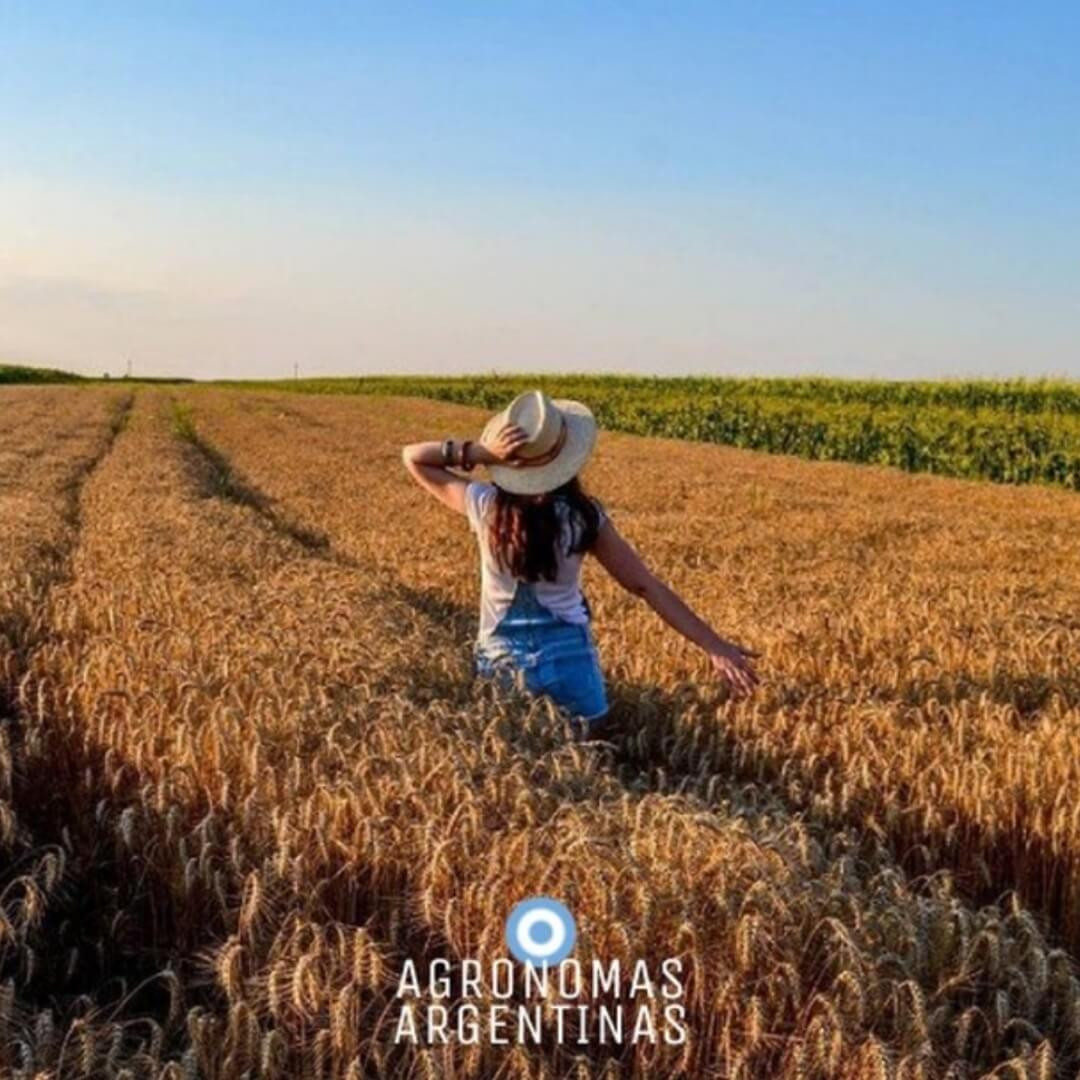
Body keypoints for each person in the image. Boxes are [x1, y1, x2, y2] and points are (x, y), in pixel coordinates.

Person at [401, 390, 758, 735]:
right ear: (566, 459)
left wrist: (482, 452)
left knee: (524, 768)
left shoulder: (485, 505)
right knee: (593, 767)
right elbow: (644, 585)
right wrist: (714, 645)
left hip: (503, 663)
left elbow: (414, 456)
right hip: (571, 668)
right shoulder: (584, 517)